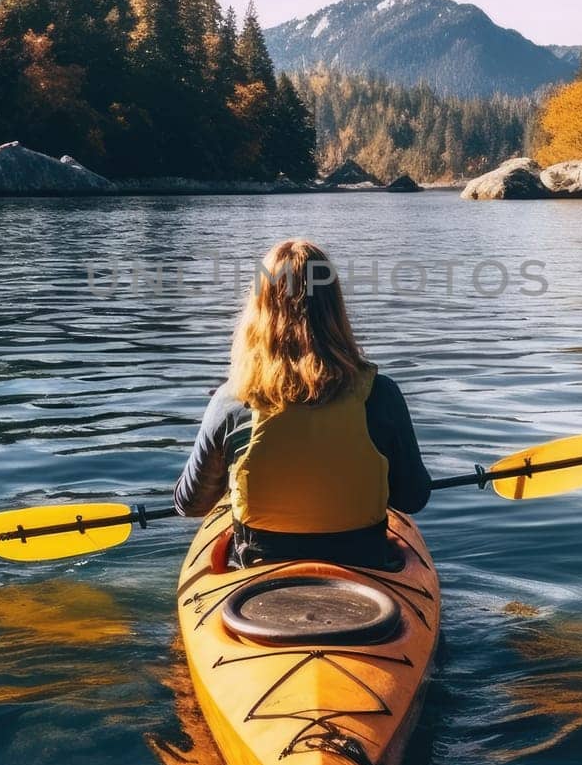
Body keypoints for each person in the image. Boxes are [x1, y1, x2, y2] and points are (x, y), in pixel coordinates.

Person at [174, 239, 431, 568]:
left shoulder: (233, 400)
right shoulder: (381, 395)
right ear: (335, 309)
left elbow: (190, 505)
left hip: (258, 570)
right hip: (366, 567)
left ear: (259, 312)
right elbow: (413, 497)